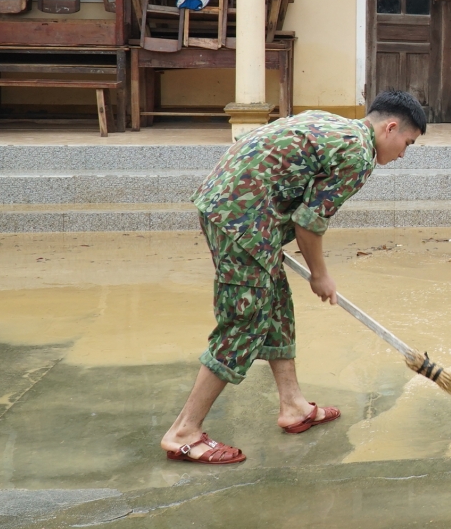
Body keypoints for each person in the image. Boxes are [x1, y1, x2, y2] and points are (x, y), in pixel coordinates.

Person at [160, 93, 427, 464]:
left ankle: (293, 404)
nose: (402, 155)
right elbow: (308, 223)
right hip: (245, 218)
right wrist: (321, 275)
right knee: (244, 320)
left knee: (276, 306)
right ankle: (184, 431)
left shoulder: (338, 125)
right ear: (391, 127)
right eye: (407, 144)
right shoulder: (358, 156)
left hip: (236, 204)